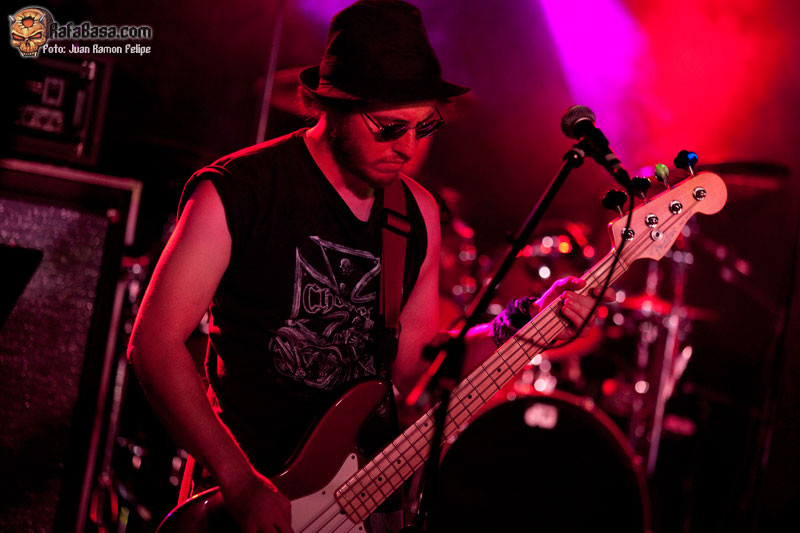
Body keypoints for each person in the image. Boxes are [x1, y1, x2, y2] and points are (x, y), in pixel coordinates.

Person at [127, 1, 611, 531]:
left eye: (423, 128)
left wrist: (526, 326)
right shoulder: (237, 191)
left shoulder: (417, 214)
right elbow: (154, 344)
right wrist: (240, 482)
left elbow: (417, 369)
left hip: (358, 506)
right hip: (245, 501)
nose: (408, 147)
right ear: (333, 105)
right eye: (389, 127)